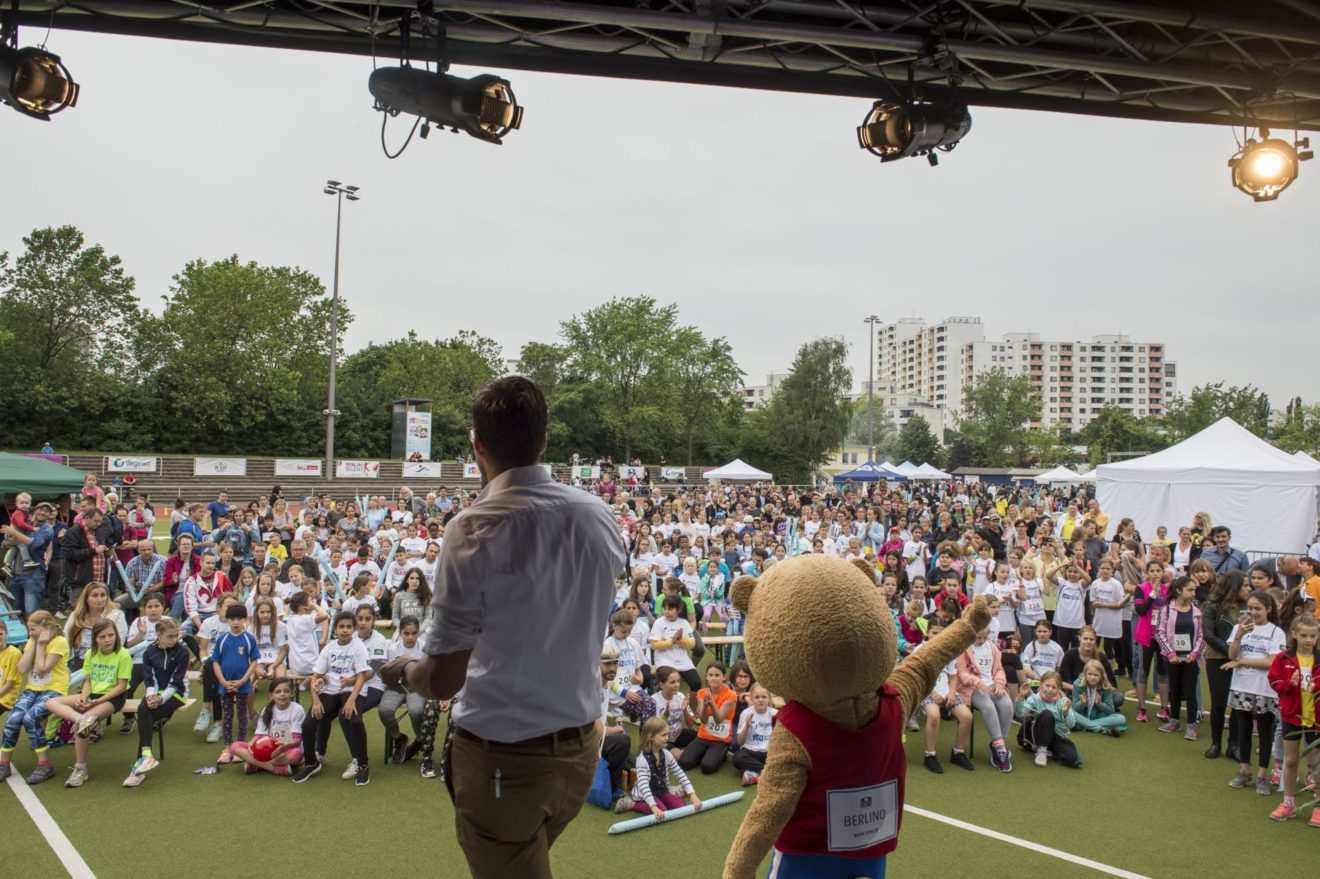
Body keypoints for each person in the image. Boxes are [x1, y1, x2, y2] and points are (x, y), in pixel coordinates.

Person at [46, 620, 132, 788]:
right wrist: (84, 698)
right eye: (102, 637)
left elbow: (121, 686)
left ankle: (80, 769)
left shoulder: (123, 655)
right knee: (50, 702)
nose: (107, 640)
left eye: (111, 635)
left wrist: (98, 701)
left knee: (85, 725)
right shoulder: (90, 654)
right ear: (95, 639)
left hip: (113, 698)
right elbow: (88, 681)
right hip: (92, 696)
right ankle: (79, 718)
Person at [293, 611, 371, 786]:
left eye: (349, 627)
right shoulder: (329, 648)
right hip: (330, 691)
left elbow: (361, 676)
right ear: (335, 629)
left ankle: (363, 765)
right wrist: (316, 701)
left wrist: (351, 700)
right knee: (308, 723)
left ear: (354, 629)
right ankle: (312, 762)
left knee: (355, 720)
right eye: (341, 627)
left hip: (351, 690)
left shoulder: (358, 647)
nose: (345, 630)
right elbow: (316, 676)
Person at [1226, 590, 1288, 794]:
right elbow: (1232, 655)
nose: (1253, 612)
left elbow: (1271, 662)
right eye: (1250, 608)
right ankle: (1244, 771)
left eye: (1258, 608)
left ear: (1269, 609)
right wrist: (1238, 636)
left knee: (1264, 730)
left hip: (1265, 689)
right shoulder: (1239, 627)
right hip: (1241, 686)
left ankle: (1262, 775)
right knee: (1243, 728)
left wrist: (1242, 661)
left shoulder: (1276, 632)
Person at [0, 611, 67, 784]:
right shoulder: (32, 641)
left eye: (33, 629)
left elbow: (43, 668)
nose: (30, 633)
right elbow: (22, 669)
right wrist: (35, 642)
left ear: (48, 627)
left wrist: (40, 646)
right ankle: (4, 763)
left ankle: (45, 764)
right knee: (13, 719)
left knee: (31, 718)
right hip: (33, 689)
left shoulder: (59, 642)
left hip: (54, 691)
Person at [1265, 613, 1320, 823]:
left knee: (1316, 763)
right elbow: (1274, 682)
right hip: (1292, 716)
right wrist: (1290, 684)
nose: (1308, 640)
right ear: (1294, 634)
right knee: (1291, 760)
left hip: (1316, 718)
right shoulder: (1283, 658)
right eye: (1304, 635)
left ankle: (1317, 804)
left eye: (1312, 636)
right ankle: (1288, 803)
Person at [123, 616, 189, 787]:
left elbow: (176, 683)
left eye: (176, 636)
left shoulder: (182, 652)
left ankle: (140, 764)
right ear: (159, 634)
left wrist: (160, 698)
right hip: (157, 692)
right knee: (144, 709)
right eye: (171, 636)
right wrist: (151, 696)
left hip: (177, 694)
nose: (175, 640)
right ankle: (145, 756)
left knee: (146, 713)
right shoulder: (149, 652)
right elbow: (150, 681)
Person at [956, 627, 1015, 772]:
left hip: (992, 685)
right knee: (988, 707)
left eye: (984, 637)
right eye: (978, 637)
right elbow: (961, 673)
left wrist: (1000, 683)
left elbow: (999, 669)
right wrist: (977, 683)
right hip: (973, 688)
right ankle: (1001, 749)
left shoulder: (992, 648)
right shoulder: (964, 648)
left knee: (1007, 705)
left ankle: (998, 744)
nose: (981, 641)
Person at [1155, 576, 1204, 739]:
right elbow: (1159, 633)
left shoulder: (1197, 610)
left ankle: (1191, 725)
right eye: (1190, 590)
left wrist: (1194, 653)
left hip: (1191, 658)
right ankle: (1174, 721)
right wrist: (1170, 654)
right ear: (1179, 591)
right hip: (1172, 658)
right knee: (1174, 690)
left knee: (1190, 691)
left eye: (1194, 590)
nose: (1193, 593)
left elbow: (1202, 636)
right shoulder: (1167, 609)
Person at [212, 604, 259, 764]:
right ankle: (227, 747)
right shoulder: (222, 639)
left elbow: (254, 661)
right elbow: (216, 662)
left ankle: (240, 747)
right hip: (225, 685)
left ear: (245, 619)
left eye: (239, 619)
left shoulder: (249, 638)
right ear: (227, 620)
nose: (236, 622)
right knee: (227, 715)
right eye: (232, 619)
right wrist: (223, 682)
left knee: (242, 715)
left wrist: (243, 680)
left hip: (242, 685)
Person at [630, 716, 702, 819]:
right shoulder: (642, 760)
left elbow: (679, 773)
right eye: (663, 735)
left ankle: (673, 794)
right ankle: (633, 804)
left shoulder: (666, 754)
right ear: (651, 737)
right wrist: (653, 806)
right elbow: (644, 786)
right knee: (662, 810)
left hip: (662, 791)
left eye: (667, 734)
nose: (667, 738)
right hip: (645, 794)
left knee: (681, 806)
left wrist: (692, 794)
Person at [231, 678, 306, 777]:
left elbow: (297, 741)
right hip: (266, 749)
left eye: (286, 691)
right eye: (278, 692)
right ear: (271, 696)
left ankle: (257, 764)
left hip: (288, 749)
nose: (282, 694)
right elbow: (259, 735)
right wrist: (252, 744)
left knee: (297, 754)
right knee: (235, 746)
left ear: (292, 693)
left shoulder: (297, 710)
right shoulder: (267, 710)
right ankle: (275, 769)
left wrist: (284, 746)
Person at [1014, 670, 1081, 768]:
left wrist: (1066, 712)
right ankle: (1041, 750)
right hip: (1036, 733)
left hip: (1056, 736)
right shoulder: (1035, 698)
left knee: (1073, 760)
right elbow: (1020, 713)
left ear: (1059, 689)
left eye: (1054, 687)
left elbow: (1071, 725)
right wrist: (1021, 696)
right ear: (1041, 685)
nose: (1050, 689)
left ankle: (1049, 751)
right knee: (1047, 714)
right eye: (1047, 685)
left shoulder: (1063, 701)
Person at [679, 661, 736, 775]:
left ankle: (720, 754)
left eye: (717, 675)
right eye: (710, 675)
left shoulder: (731, 695)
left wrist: (711, 703)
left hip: (721, 738)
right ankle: (707, 754)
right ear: (706, 677)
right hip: (703, 736)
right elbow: (703, 720)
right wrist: (705, 705)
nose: (713, 678)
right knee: (684, 763)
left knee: (707, 767)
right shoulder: (702, 692)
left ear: (724, 677)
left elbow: (719, 720)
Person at [732, 683, 776, 784]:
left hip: (768, 752)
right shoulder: (746, 713)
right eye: (757, 697)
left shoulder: (775, 713)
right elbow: (739, 742)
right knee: (737, 758)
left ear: (769, 699)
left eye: (764, 697)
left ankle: (754, 774)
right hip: (750, 751)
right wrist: (747, 726)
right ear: (751, 698)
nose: (760, 700)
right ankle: (768, 773)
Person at [1070, 659, 1126, 736]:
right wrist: (1082, 703)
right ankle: (1101, 729)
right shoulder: (1077, 684)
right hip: (1082, 715)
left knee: (1122, 718)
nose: (1092, 677)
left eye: (1095, 675)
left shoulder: (1106, 686)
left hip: (1098, 716)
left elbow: (1110, 710)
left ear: (1101, 675)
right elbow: (1075, 708)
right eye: (1089, 674)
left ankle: (1082, 726)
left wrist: (1100, 704)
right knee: (1069, 712)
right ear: (1085, 673)